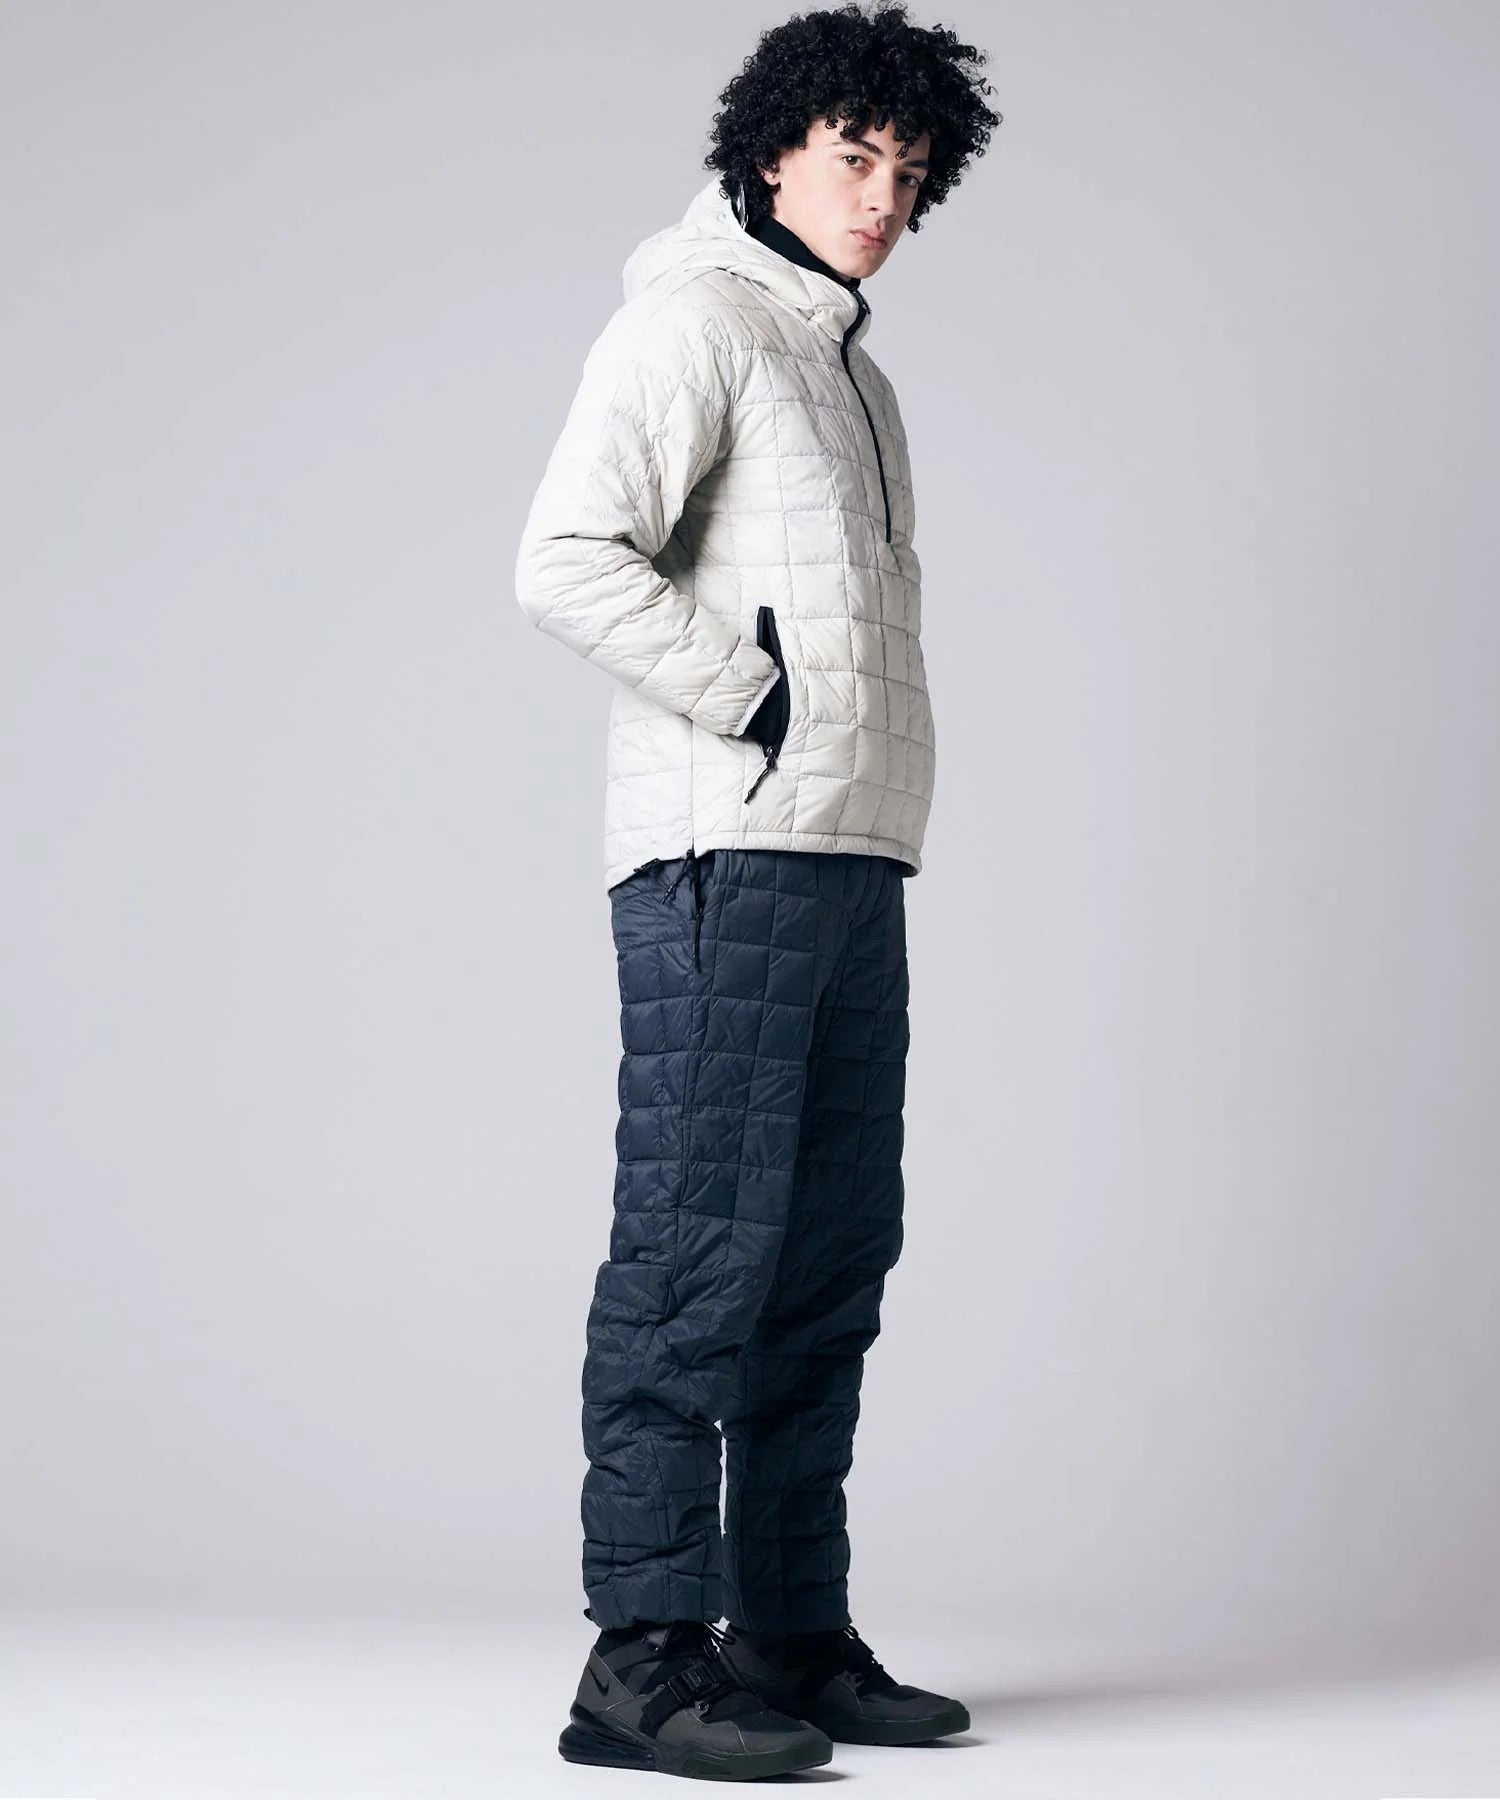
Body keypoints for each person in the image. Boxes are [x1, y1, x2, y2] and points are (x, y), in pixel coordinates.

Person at [514, 1, 1000, 1779]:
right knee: (698, 1251)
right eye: (854, 156)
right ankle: (639, 1661)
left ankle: (788, 1631)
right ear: (772, 152)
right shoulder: (694, 323)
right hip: (727, 849)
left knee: (828, 1254)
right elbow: (566, 556)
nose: (882, 197)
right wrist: (755, 696)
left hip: (853, 851)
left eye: (910, 171)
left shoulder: (851, 370)